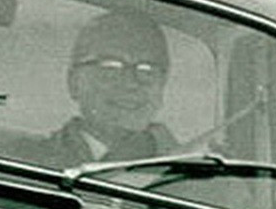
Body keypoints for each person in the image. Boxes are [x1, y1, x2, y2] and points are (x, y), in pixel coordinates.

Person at [33, 11, 177, 169]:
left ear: (162, 86)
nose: (130, 83)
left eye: (147, 70)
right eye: (111, 67)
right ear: (74, 82)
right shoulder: (27, 162)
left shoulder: (184, 171)